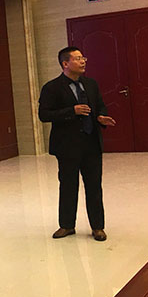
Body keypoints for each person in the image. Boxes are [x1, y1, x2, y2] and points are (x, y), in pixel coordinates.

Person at [38, 46, 115, 241]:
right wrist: (71, 111)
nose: (83, 62)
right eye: (78, 58)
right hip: (67, 146)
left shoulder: (91, 84)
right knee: (68, 186)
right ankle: (66, 225)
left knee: (94, 187)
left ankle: (98, 227)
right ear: (65, 63)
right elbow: (44, 115)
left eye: (83, 58)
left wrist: (101, 116)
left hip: (91, 143)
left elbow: (100, 105)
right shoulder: (52, 87)